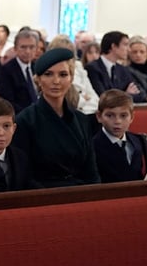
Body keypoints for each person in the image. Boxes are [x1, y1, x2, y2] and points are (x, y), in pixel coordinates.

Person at [12, 48, 100, 187]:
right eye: (48, 74)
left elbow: (91, 172)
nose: (56, 81)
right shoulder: (25, 121)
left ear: (71, 79)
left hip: (81, 194)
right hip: (45, 198)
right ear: (39, 80)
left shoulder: (82, 120)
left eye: (63, 74)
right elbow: (24, 176)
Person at [92, 90, 146, 183]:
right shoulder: (92, 147)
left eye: (123, 116)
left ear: (132, 117)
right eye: (110, 115)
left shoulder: (136, 141)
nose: (117, 121)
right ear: (99, 116)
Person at [85, 31, 147, 103]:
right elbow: (103, 98)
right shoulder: (92, 68)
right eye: (125, 45)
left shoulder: (122, 69)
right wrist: (126, 94)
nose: (129, 49)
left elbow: (141, 94)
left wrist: (120, 96)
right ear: (113, 46)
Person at [0, 29, 40, 113]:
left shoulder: (38, 67)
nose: (28, 51)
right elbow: (7, 101)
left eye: (31, 47)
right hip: (20, 116)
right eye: (23, 47)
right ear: (15, 49)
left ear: (36, 49)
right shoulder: (6, 70)